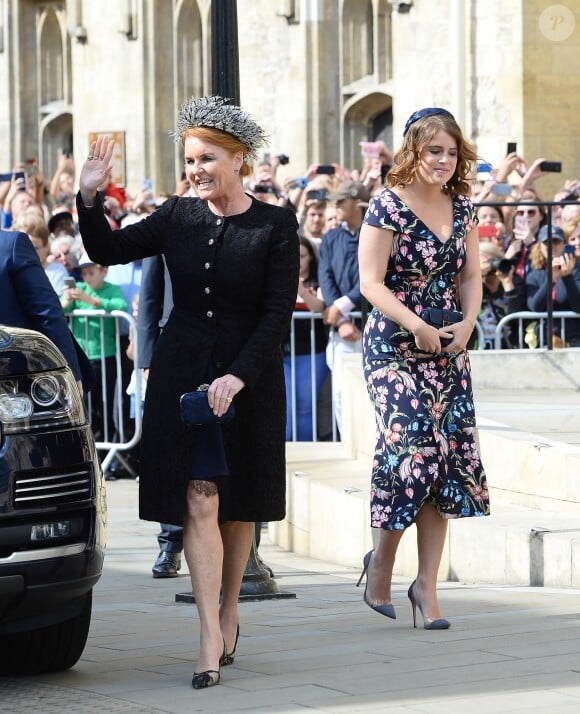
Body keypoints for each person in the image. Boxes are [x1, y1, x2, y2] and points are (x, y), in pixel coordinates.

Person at [76, 95, 299, 690]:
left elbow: (277, 313)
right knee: (199, 499)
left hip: (247, 380)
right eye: (190, 160)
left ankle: (230, 608)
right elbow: (106, 249)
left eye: (207, 158)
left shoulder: (275, 224)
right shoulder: (178, 215)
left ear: (239, 159)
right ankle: (206, 631)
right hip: (183, 378)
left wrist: (239, 375)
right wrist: (92, 196)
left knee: (240, 502)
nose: (196, 169)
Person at [357, 107, 490, 630]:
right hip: (394, 344)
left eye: (452, 152)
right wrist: (414, 324)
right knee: (413, 448)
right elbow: (371, 282)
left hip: (449, 348)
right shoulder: (388, 204)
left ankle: (426, 587)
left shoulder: (463, 208)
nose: (444, 160)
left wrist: (469, 323)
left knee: (446, 463)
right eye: (435, 150)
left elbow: (473, 276)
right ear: (414, 150)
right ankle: (382, 563)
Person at [136, 254, 184, 578]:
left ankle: (245, 552)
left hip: (228, 350)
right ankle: (170, 544)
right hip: (172, 350)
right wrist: (147, 358)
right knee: (173, 453)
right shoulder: (166, 222)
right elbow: (150, 295)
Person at [0, 229, 83, 387]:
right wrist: (69, 372)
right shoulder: (10, 244)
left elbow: (45, 311)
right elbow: (46, 312)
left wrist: (68, 370)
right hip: (15, 386)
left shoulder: (10, 245)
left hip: (14, 383)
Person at [318, 179, 370, 433]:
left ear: (357, 204)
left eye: (342, 201)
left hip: (371, 327)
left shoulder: (376, 234)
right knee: (340, 394)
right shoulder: (331, 237)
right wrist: (340, 319)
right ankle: (346, 441)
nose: (336, 206)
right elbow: (325, 276)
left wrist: (342, 305)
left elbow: (372, 277)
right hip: (342, 329)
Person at [61, 253, 128, 442]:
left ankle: (109, 441)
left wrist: (92, 301)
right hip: (82, 357)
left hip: (105, 357)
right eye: (84, 273)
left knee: (104, 403)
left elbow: (121, 306)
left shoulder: (112, 289)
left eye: (91, 272)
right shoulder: (79, 289)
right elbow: (58, 308)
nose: (87, 277)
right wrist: (67, 300)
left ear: (104, 271)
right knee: (85, 405)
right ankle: (91, 442)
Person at [284, 237, 329, 440]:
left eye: (301, 255)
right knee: (285, 406)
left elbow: (319, 307)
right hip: (281, 353)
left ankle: (305, 450)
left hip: (311, 353)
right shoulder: (276, 278)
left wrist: (301, 289)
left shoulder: (320, 281)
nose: (297, 260)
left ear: (311, 257)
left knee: (304, 407)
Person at [526, 225, 580, 348]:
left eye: (556, 241)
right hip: (544, 342)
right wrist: (550, 279)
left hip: (573, 342)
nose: (552, 246)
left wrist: (567, 277)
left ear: (564, 244)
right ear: (539, 247)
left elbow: (578, 306)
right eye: (547, 242)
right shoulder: (534, 274)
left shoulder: (577, 270)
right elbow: (535, 306)